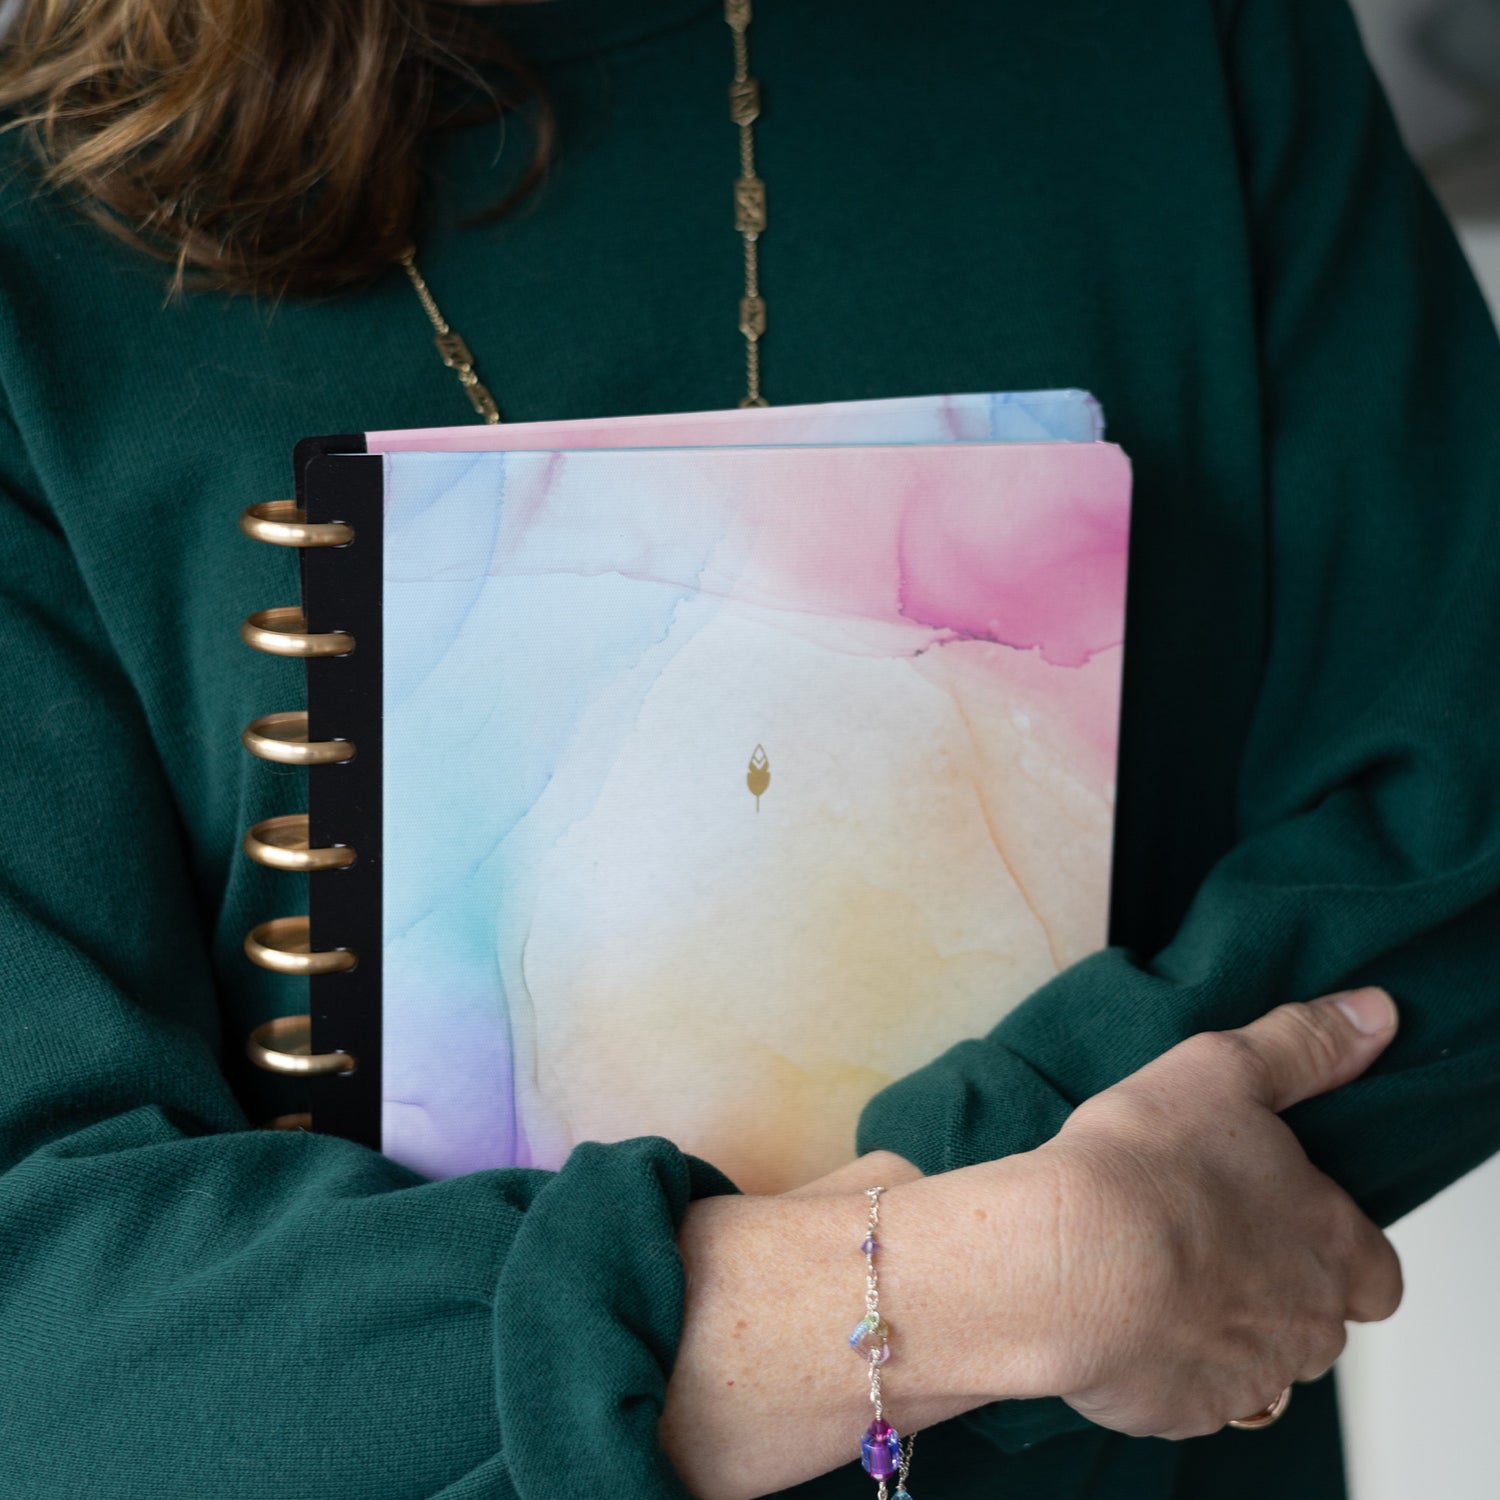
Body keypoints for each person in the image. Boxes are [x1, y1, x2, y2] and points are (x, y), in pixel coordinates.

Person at [0, 1, 1495, 1497]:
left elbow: (1453, 863)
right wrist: (996, 1286)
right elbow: (54, 1328)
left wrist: (884, 1280)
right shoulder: (38, 256)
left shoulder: (1185, 44)